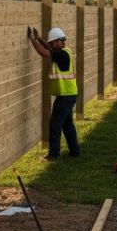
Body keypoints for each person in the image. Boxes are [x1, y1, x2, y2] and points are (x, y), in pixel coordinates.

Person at [28, 26, 81, 161]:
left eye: (52, 42)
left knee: (55, 124)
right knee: (67, 125)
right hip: (68, 95)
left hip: (66, 97)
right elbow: (49, 49)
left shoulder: (60, 54)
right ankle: (75, 152)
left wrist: (32, 40)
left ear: (59, 41)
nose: (51, 45)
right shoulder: (64, 51)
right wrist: (39, 38)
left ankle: (53, 154)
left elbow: (44, 53)